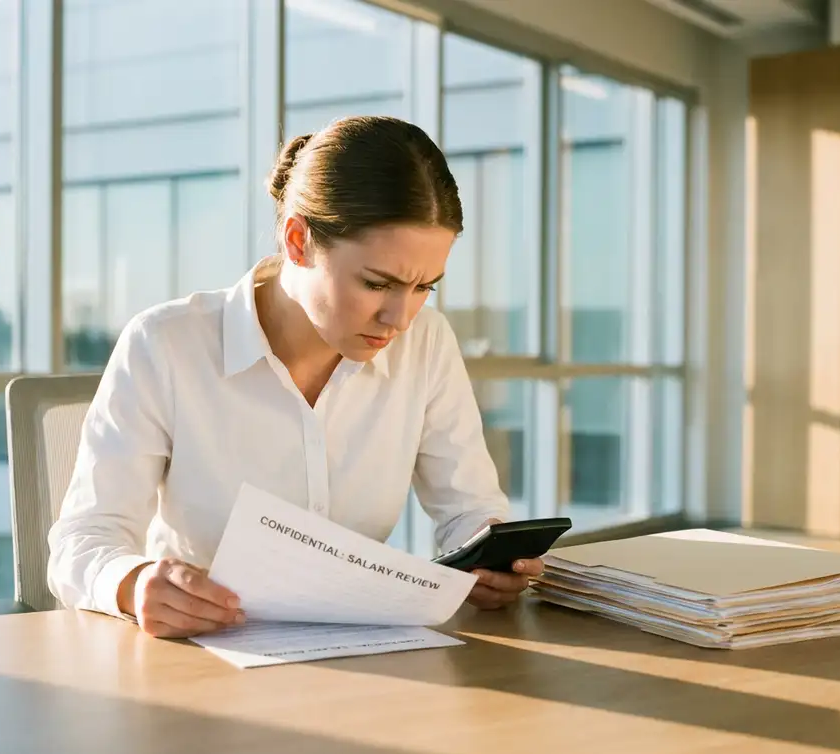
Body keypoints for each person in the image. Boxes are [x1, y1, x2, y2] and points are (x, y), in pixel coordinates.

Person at [47, 115, 545, 639]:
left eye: (426, 287)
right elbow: (83, 541)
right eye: (378, 283)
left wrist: (493, 559)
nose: (400, 318)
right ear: (297, 239)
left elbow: (470, 510)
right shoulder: (165, 344)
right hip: (201, 662)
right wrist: (134, 582)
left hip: (364, 654)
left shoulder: (426, 342)